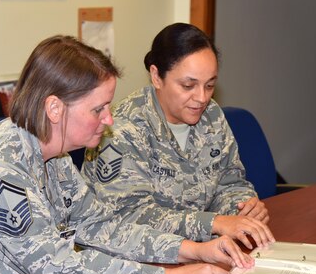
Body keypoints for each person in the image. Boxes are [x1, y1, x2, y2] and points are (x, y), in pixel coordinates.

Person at [0, 35, 253, 274]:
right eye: (98, 109)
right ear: (55, 108)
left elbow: (102, 226)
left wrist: (192, 251)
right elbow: (61, 270)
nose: (109, 119)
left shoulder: (54, 155)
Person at [81, 23, 274, 250]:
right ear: (156, 76)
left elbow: (229, 182)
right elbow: (130, 218)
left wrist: (242, 209)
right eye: (188, 85)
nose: (202, 98)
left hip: (200, 252)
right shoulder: (122, 129)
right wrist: (214, 223)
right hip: (129, 262)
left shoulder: (211, 116)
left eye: (210, 85)